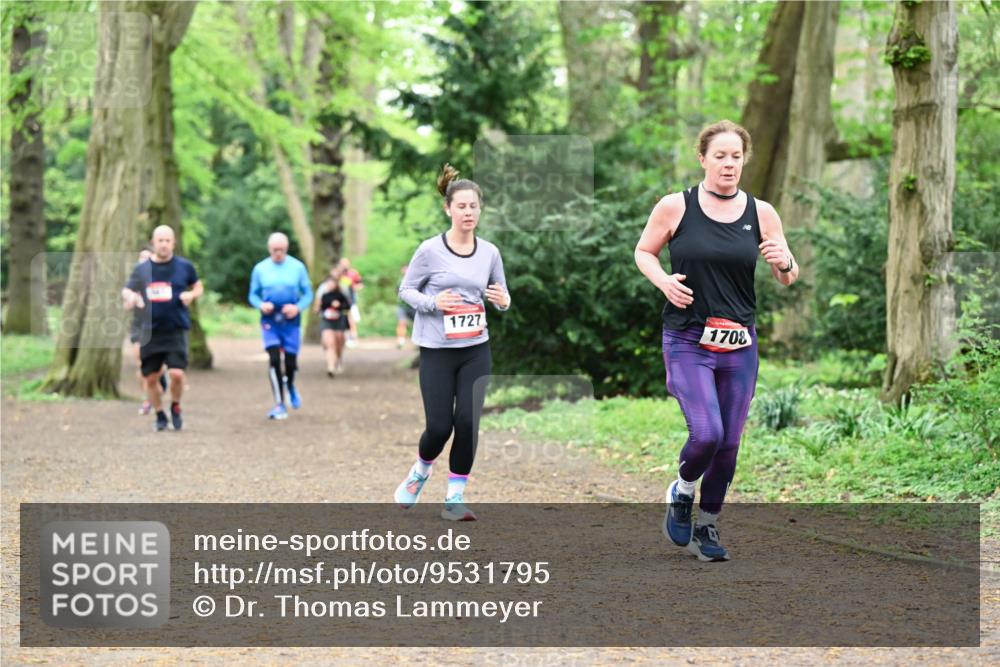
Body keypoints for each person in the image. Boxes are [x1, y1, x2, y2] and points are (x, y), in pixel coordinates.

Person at [634, 120, 799, 561]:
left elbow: (786, 274)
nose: (729, 164)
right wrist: (664, 282)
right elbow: (643, 251)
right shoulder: (676, 206)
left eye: (736, 156)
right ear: (703, 158)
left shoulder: (761, 212)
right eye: (720, 155)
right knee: (707, 433)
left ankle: (707, 525)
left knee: (729, 443)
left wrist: (785, 262)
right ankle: (683, 490)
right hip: (688, 337)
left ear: (745, 160)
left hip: (740, 342)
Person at [394, 164, 511, 521]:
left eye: (473, 206)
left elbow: (501, 293)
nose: (468, 213)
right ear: (448, 209)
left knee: (468, 421)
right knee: (440, 426)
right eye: (461, 206)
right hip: (437, 350)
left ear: (480, 209)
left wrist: (503, 301)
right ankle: (420, 471)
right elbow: (406, 290)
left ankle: (454, 498)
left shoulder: (489, 252)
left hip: (476, 348)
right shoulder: (430, 250)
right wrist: (434, 303)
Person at [123, 226, 204, 432]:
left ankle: (175, 406)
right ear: (153, 242)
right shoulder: (142, 269)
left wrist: (191, 296)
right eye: (160, 240)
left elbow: (198, 286)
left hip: (175, 328)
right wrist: (131, 297)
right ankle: (159, 413)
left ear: (174, 243)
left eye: (168, 240)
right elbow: (127, 289)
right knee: (150, 378)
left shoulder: (184, 266)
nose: (164, 244)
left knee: (176, 373)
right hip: (149, 331)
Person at [248, 232, 313, 420]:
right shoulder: (260, 269)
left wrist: (297, 307)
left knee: (291, 363)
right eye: (275, 250)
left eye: (282, 250)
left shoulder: (297, 267)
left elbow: (308, 294)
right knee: (274, 359)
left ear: (286, 249)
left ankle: (291, 385)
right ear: (269, 249)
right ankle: (279, 403)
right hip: (269, 321)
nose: (278, 253)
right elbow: (253, 295)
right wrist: (261, 304)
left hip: (291, 321)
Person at [123, 246, 166, 415]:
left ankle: (159, 380)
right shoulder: (134, 282)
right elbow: (126, 306)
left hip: (158, 327)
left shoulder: (158, 281)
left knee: (158, 367)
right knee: (141, 366)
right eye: (141, 257)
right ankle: (147, 398)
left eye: (147, 257)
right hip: (138, 327)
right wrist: (131, 300)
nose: (143, 260)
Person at [313, 264, 352, 377]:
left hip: (339, 320)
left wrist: (340, 306)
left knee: (339, 342)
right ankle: (331, 367)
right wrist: (318, 308)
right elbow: (318, 304)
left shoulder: (343, 289)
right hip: (326, 320)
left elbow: (348, 305)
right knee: (330, 343)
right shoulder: (323, 290)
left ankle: (338, 360)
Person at [338, 257, 363, 346]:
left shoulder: (353, 273)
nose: (344, 265)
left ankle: (353, 338)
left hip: (350, 301)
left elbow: (360, 284)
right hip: (338, 302)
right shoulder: (337, 274)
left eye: (346, 263)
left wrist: (354, 287)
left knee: (351, 320)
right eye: (342, 263)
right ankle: (343, 338)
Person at [395, 263, 416, 349]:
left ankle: (418, 342)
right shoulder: (399, 281)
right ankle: (400, 342)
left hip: (413, 306)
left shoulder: (415, 280)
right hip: (402, 306)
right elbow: (396, 291)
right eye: (404, 269)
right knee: (401, 322)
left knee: (417, 324)